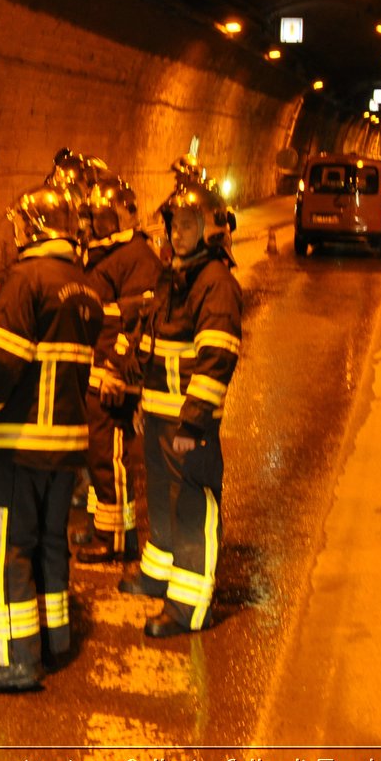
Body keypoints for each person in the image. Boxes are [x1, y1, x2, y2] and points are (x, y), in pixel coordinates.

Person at [0, 183, 103, 692]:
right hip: (65, 446)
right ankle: (55, 643)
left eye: (18, 225)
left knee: (6, 550)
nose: (14, 234)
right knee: (50, 545)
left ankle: (13, 660)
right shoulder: (84, 286)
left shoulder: (26, 280)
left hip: (17, 445)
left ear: (33, 229)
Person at [117, 175, 243, 638]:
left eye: (187, 225)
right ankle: (159, 573)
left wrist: (194, 421)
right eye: (173, 224)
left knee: (192, 502)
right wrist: (140, 402)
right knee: (163, 497)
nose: (177, 233)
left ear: (211, 228)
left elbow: (216, 358)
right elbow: (155, 344)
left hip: (188, 419)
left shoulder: (216, 285)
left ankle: (190, 604)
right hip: (158, 414)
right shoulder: (175, 276)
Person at [47, 152, 162, 566]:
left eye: (106, 219)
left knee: (110, 453)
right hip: (94, 370)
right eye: (94, 218)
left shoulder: (137, 257)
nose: (98, 226)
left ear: (125, 218)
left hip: (114, 374)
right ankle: (103, 525)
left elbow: (138, 320)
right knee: (97, 453)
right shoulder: (99, 254)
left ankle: (116, 539)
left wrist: (116, 369)